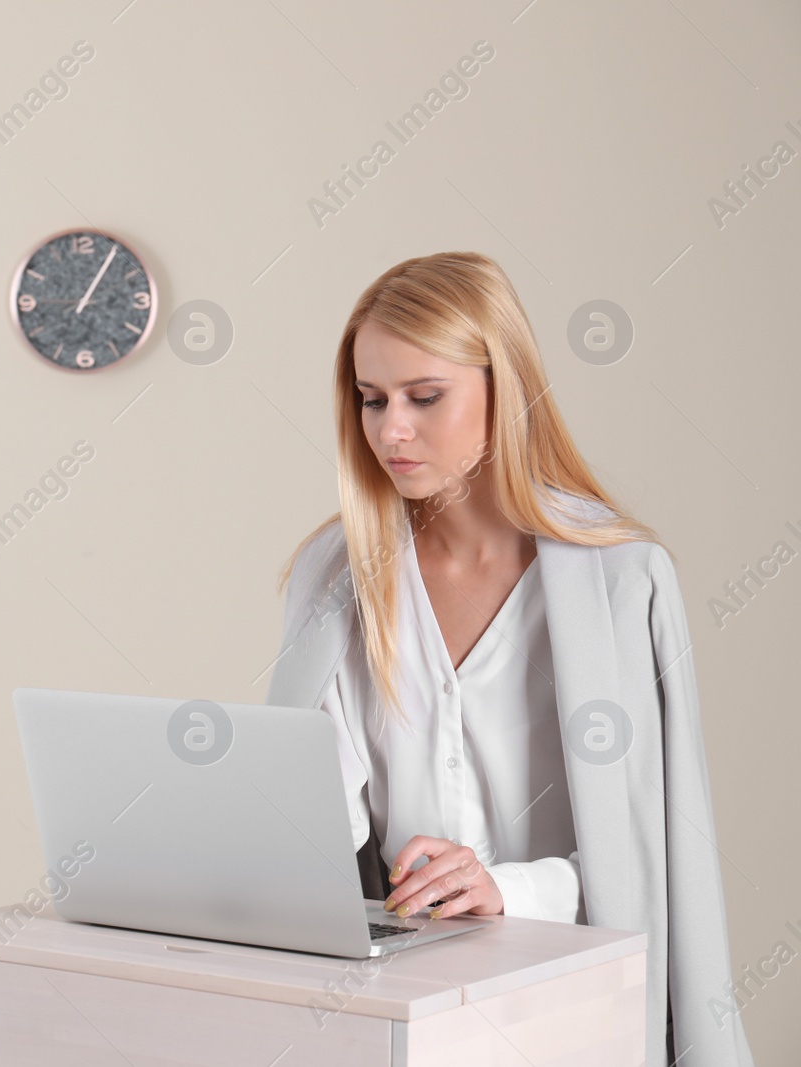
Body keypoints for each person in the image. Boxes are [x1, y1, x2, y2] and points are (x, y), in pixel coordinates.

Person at [268, 251, 756, 1066]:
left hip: (570, 1009)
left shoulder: (622, 579)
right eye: (371, 399)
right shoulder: (336, 573)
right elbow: (311, 817)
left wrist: (506, 887)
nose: (392, 429)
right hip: (399, 1015)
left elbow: (656, 849)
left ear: (507, 389)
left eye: (425, 397)